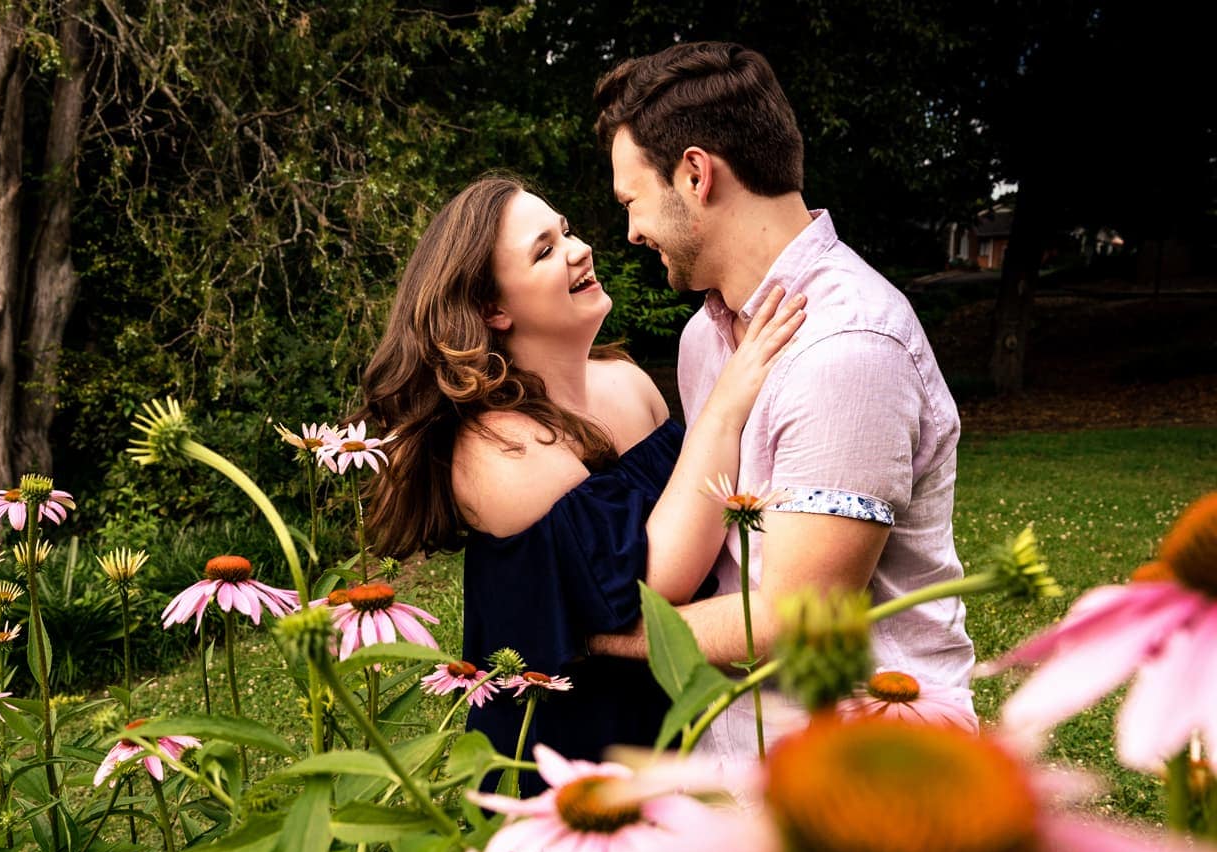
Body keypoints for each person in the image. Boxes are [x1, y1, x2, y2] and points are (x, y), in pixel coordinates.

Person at [357, 175, 803, 793]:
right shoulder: (498, 448)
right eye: (544, 250)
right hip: (582, 761)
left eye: (565, 231)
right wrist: (726, 406)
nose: (579, 249)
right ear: (493, 311)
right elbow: (657, 585)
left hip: (685, 725)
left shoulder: (627, 383)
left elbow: (708, 506)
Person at [590, 42, 975, 758]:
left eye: (632, 201)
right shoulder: (704, 339)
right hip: (732, 746)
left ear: (696, 174)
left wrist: (590, 630)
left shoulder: (847, 345)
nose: (632, 231)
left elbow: (797, 616)